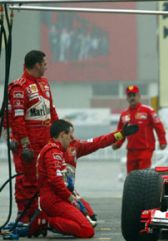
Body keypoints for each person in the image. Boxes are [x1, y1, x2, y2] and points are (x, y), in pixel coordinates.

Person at [37, 119, 138, 238]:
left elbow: (98, 142)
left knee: (91, 216)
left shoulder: (74, 146)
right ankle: (47, 221)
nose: (72, 138)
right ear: (62, 134)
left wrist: (120, 134)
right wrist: (71, 200)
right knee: (85, 227)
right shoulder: (51, 150)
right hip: (57, 196)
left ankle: (58, 219)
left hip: (67, 191)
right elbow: (53, 181)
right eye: (70, 134)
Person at [8, 50, 58, 223]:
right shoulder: (18, 87)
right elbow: (17, 119)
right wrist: (25, 144)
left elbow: (51, 111)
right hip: (28, 144)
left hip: (45, 141)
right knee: (26, 181)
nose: (46, 66)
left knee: (44, 180)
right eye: (44, 63)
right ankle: (24, 217)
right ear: (37, 65)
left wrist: (58, 133)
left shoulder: (44, 83)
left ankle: (37, 216)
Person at [112, 85, 167, 173]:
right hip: (131, 150)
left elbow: (159, 126)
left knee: (143, 175)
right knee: (130, 176)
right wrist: (117, 143)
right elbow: (120, 132)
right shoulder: (124, 114)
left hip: (145, 149)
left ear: (139, 96)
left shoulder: (148, 111)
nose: (132, 98)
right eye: (130, 96)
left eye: (134, 95)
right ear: (127, 98)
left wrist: (162, 141)